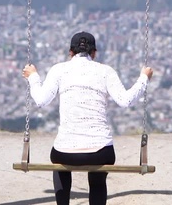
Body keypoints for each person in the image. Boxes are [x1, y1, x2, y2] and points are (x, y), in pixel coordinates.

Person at [22, 31, 153, 205]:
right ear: (94, 53)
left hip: (65, 153)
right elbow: (126, 100)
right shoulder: (105, 71)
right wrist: (144, 77)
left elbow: (40, 100)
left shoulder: (59, 70)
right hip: (100, 152)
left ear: (70, 52)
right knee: (98, 180)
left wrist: (33, 76)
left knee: (59, 164)